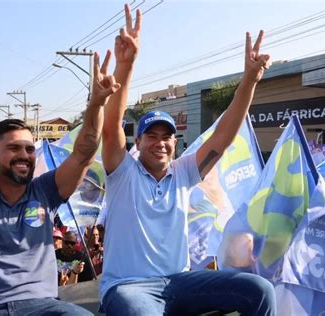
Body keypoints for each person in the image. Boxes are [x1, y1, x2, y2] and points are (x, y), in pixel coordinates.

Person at [100, 4, 276, 316]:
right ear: (136, 142)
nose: (159, 143)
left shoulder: (183, 172)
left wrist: (249, 80)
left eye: (166, 136)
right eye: (150, 136)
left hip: (179, 282)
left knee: (259, 290)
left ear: (174, 142)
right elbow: (112, 126)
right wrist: (125, 66)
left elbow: (222, 137)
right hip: (127, 288)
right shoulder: (122, 172)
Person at [0, 31, 120, 315]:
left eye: (28, 148)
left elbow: (84, 153)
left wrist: (97, 104)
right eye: (13, 148)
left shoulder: (46, 191)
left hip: (46, 308)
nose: (24, 155)